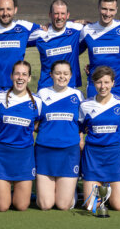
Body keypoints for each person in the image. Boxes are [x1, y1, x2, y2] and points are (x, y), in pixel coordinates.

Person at [0, 60, 39, 211]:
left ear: (29, 78)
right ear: (11, 76)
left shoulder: (37, 101)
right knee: (2, 206)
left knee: (21, 205)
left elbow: (38, 123)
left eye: (24, 74)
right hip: (2, 155)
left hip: (24, 156)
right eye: (17, 73)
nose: (20, 77)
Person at [34, 60, 84, 210]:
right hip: (45, 151)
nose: (61, 77)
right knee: (45, 205)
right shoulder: (42, 94)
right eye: (58, 73)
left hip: (69, 151)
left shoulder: (77, 95)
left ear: (70, 75)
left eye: (65, 73)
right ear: (51, 75)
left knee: (63, 205)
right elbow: (35, 122)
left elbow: (81, 122)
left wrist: (80, 138)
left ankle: (72, 192)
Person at [79, 66, 120, 211]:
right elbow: (80, 128)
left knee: (119, 206)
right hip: (93, 155)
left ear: (113, 83)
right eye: (99, 82)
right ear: (94, 83)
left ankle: (110, 188)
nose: (103, 86)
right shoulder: (85, 106)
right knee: (92, 206)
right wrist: (81, 140)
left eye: (107, 82)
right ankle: (103, 189)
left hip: (115, 155)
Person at [80, 0, 120, 98]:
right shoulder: (87, 30)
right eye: (104, 9)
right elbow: (72, 49)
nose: (107, 13)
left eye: (111, 10)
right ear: (98, 8)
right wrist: (74, 21)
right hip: (96, 86)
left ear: (116, 10)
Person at [27, 0, 84, 91]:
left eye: (63, 13)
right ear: (50, 15)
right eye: (56, 13)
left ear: (68, 15)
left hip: (70, 87)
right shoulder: (40, 34)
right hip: (46, 89)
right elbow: (17, 38)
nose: (59, 17)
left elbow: (97, 28)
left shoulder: (76, 29)